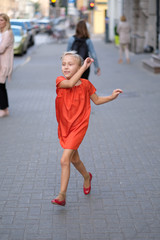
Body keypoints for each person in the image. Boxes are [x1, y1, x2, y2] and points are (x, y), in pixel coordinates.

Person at [51, 51, 123, 206]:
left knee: (64, 160)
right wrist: (84, 67)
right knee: (74, 159)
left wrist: (111, 96)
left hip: (79, 126)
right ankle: (87, 177)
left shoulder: (86, 85)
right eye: (63, 64)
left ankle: (62, 195)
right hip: (65, 127)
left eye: (70, 64)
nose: (66, 67)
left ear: (78, 67)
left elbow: (96, 100)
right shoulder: (60, 81)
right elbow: (70, 84)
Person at [0, 13, 14, 117]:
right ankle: (4, 108)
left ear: (6, 22)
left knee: (1, 86)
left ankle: (4, 109)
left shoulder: (8, 33)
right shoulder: (1, 33)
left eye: (1, 20)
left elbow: (1, 48)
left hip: (4, 64)